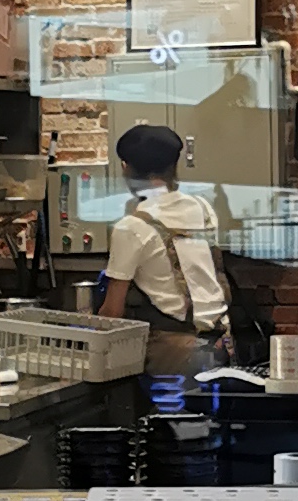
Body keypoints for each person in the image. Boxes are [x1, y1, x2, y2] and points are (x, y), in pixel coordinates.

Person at [98, 125, 232, 374]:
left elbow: (112, 313)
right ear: (174, 167)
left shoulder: (132, 227)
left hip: (175, 351)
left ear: (126, 168)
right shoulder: (203, 209)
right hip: (222, 343)